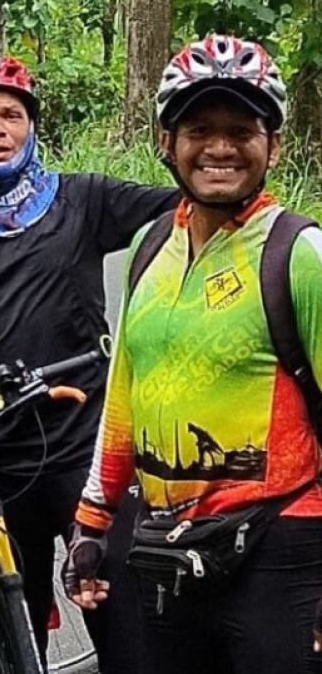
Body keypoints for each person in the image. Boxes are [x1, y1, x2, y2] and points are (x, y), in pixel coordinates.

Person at [0, 55, 181, 671]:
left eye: (12, 115)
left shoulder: (83, 199)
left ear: (32, 126)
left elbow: (187, 206)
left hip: (88, 453)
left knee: (123, 625)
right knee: (15, 634)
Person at [65, 35, 322, 674]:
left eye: (242, 130)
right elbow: (124, 395)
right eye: (200, 129)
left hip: (281, 543)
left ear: (274, 146)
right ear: (167, 141)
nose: (220, 147)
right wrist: (93, 522)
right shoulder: (150, 246)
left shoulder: (298, 255)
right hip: (167, 541)